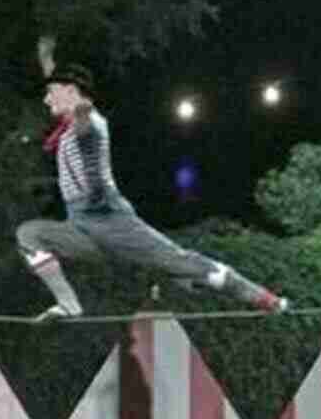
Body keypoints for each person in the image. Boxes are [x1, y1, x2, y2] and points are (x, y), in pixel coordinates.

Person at [17, 35, 289, 322]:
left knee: (181, 262)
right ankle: (69, 304)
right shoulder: (69, 123)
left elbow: (83, 117)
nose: (46, 100)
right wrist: (46, 58)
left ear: (72, 93)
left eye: (51, 94)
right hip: (81, 224)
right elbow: (63, 93)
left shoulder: (87, 119)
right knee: (30, 235)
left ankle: (262, 297)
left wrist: (80, 110)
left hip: (109, 218)